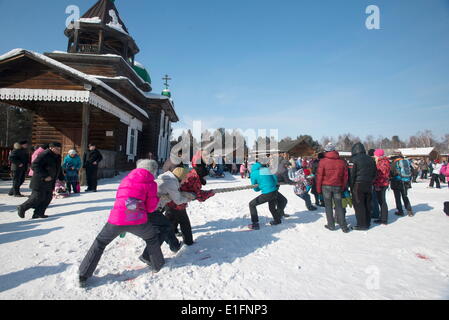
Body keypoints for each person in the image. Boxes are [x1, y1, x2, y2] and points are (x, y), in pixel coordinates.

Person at [78, 160, 164, 288]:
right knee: (152, 238)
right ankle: (157, 264)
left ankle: (83, 274)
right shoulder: (151, 184)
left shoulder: (125, 179)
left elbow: (120, 198)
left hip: (117, 219)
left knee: (100, 242)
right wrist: (157, 198)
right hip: (137, 220)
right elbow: (151, 208)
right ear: (153, 170)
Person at [165, 164, 215, 245]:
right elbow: (199, 196)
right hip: (177, 202)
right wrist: (210, 193)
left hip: (171, 200)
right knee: (184, 223)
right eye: (205, 176)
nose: (206, 178)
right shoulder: (195, 179)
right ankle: (188, 242)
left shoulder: (191, 173)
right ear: (201, 175)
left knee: (170, 219)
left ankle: (171, 233)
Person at [17, 142, 65, 219]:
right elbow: (34, 165)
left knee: (47, 198)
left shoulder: (57, 156)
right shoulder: (44, 155)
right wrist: (45, 176)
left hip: (50, 181)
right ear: (51, 148)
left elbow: (58, 168)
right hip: (40, 181)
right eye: (57, 149)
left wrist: (61, 178)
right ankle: (22, 207)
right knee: (37, 197)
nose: (59, 150)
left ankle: (38, 213)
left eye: (59, 149)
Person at [154, 165, 195, 252]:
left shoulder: (168, 178)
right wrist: (188, 198)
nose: (185, 181)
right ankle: (151, 252)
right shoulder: (171, 183)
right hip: (152, 208)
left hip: (154, 205)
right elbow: (178, 200)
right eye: (184, 179)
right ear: (180, 177)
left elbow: (171, 194)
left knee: (165, 226)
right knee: (165, 227)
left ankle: (174, 246)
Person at [316, 143, 350, 233]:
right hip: (337, 186)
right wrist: (343, 186)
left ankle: (331, 225)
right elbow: (345, 176)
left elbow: (319, 176)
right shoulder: (342, 161)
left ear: (326, 151)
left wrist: (318, 189)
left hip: (326, 186)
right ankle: (344, 226)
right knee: (339, 206)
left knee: (328, 206)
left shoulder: (323, 161)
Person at [248, 161, 288, 230]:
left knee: (252, 204)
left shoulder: (253, 173)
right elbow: (275, 178)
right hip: (274, 191)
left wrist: (261, 186)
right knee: (272, 208)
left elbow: (255, 188)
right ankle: (277, 220)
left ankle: (255, 224)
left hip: (267, 193)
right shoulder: (265, 169)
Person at [349, 142, 377, 231]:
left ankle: (361, 224)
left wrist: (351, 185)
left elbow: (351, 174)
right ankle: (367, 222)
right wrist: (371, 180)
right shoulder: (370, 159)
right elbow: (375, 172)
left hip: (358, 184)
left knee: (358, 204)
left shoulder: (353, 159)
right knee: (367, 203)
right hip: (368, 184)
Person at [372, 149, 391, 225]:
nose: (374, 156)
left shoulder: (381, 162)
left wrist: (376, 183)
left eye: (375, 155)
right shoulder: (385, 161)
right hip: (383, 184)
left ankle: (384, 219)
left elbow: (380, 175)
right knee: (381, 201)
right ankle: (383, 217)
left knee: (382, 201)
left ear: (378, 155)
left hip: (381, 184)